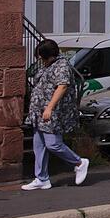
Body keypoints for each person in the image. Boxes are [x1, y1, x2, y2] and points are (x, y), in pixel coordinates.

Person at [21, 39, 89, 190]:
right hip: (39, 112)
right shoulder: (47, 66)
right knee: (39, 145)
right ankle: (42, 178)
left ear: (49, 55)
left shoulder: (62, 66)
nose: (39, 59)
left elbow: (62, 86)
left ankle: (79, 162)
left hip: (53, 112)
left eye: (41, 56)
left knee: (53, 144)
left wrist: (49, 108)